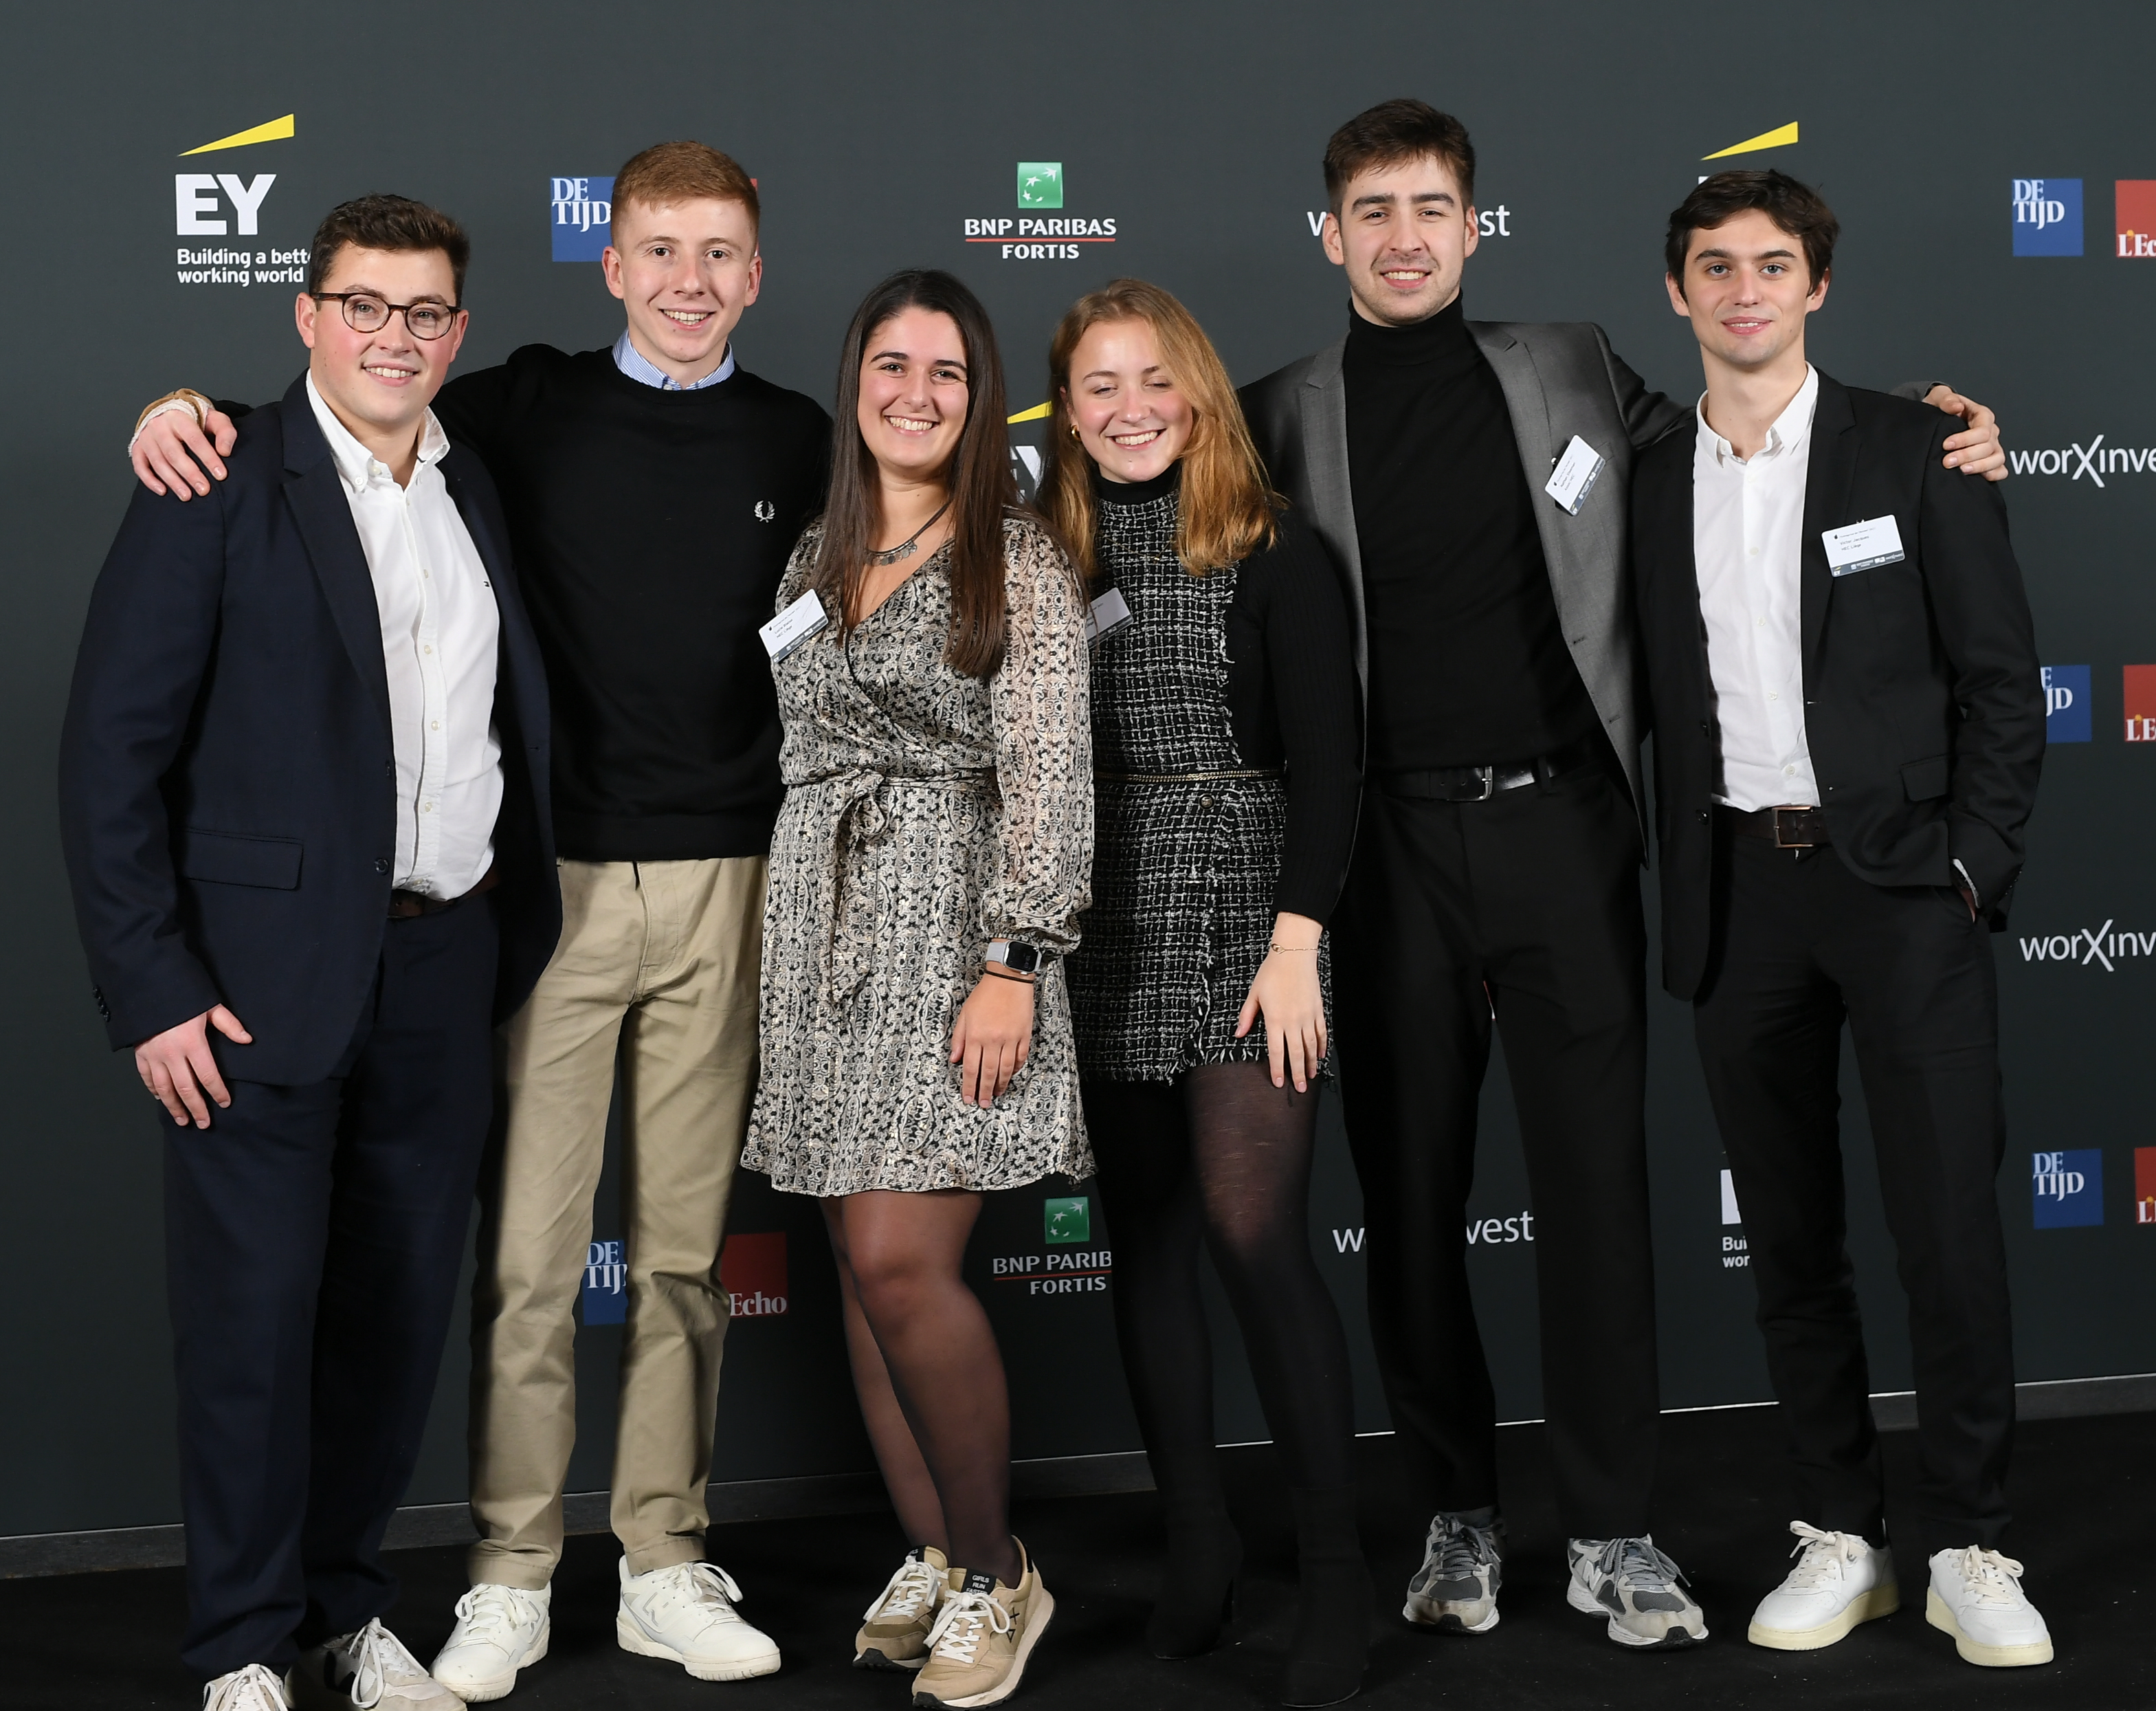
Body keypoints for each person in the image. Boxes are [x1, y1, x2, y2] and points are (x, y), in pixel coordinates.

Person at [1238, 98, 2010, 1651]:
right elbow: (1152, 515)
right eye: (1373, 212)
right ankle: (1456, 1514)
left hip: (1566, 830)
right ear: (1329, 237)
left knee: (1596, 1193)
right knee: (1408, 1198)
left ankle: (1611, 1527)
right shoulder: (1272, 416)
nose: (1404, 239)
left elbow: (1749, 442)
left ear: (1474, 228)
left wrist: (1953, 435)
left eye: (1432, 209)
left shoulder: (1573, 366)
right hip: (1385, 848)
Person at [124, 142, 827, 1696]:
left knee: (648, 1266)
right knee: (501, 1270)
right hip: (513, 905)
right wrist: (181, 409)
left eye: (719, 253)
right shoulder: (509, 409)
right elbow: (124, 733)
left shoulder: (781, 436)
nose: (690, 281)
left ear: (755, 275)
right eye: (660, 250)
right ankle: (491, 1580)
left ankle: (647, 1563)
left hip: (655, 898)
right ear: (610, 264)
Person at [59, 195, 564, 1711]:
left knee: (391, 1328)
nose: (393, 337)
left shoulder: (476, 484)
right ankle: (240, 1643)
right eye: (364, 306)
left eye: (424, 313)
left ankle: (348, 1613)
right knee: (251, 1331)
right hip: (249, 984)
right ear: (306, 313)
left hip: (443, 967)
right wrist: (153, 987)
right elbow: (109, 757)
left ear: (457, 332)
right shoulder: (215, 472)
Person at [1634, 170, 2047, 1666]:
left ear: (1817, 285)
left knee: (1946, 1230)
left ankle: (1971, 1542)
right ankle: (1841, 1531)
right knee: (1790, 1236)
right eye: (1714, 266)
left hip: (1903, 893)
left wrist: (1969, 868)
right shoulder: (1639, 474)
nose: (1742, 290)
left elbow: (2001, 681)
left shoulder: (1918, 446)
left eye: (1772, 265)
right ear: (1675, 294)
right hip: (1737, 892)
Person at [741, 268, 1093, 1710]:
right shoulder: (813, 556)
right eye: (892, 365)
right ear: (856, 383)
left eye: (946, 371)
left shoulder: (1019, 558)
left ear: (979, 395)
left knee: (901, 1262)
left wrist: (1016, 959)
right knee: (854, 1270)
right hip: (818, 936)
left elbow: (1050, 773)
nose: (915, 393)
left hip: (954, 931)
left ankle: (1001, 1572)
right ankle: (937, 1558)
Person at [1039, 280, 1367, 1706]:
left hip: (1245, 897)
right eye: (1098, 385)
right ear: (1067, 410)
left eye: (1152, 380)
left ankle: (1336, 1575)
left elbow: (1332, 765)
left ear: (1199, 393)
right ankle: (1197, 1542)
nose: (1129, 410)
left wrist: (1294, 947)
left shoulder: (1274, 545)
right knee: (1151, 1243)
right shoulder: (1043, 550)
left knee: (1254, 1235)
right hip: (1102, 900)